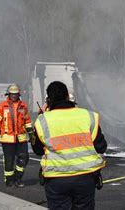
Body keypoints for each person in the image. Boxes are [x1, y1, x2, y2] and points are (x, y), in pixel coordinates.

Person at [31, 81, 107, 209]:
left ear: (48, 100)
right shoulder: (88, 116)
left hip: (56, 179)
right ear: (67, 96)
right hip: (85, 178)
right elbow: (101, 146)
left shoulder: (42, 121)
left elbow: (38, 150)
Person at [0, 83, 32, 187]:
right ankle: (9, 180)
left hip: (21, 138)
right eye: (12, 94)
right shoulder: (2, 106)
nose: (14, 96)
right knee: (9, 161)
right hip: (7, 139)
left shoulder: (23, 106)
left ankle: (18, 177)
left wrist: (31, 133)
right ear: (8, 94)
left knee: (23, 158)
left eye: (16, 94)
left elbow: (26, 120)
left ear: (19, 94)